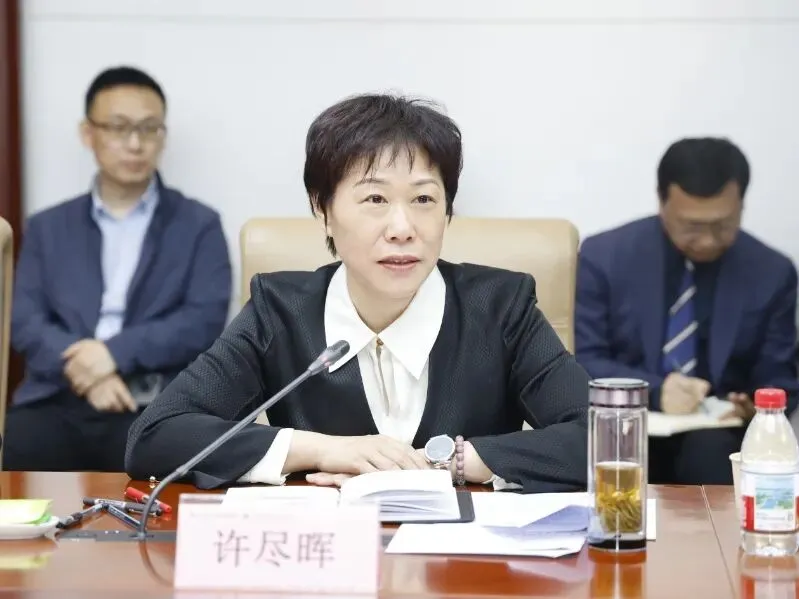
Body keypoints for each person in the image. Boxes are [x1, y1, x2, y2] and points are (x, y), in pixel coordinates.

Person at [126, 93, 590, 492]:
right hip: (331, 555)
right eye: (375, 199)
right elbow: (156, 436)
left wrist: (451, 463)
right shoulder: (280, 310)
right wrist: (324, 450)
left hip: (462, 559)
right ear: (323, 210)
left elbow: (601, 437)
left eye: (424, 199)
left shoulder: (501, 307)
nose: (402, 228)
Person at [4, 66, 232, 472]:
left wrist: (112, 354)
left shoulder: (199, 224)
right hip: (57, 394)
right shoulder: (47, 227)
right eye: (118, 127)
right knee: (19, 445)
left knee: (166, 459)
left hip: (154, 400)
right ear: (88, 133)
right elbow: (24, 320)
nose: (135, 143)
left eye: (149, 129)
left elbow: (203, 320)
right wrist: (87, 372)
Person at [575, 137, 799, 485]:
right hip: (624, 425)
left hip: (716, 438)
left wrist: (753, 406)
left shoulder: (772, 273)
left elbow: (780, 377)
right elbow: (583, 361)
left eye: (722, 225)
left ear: (741, 205)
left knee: (710, 455)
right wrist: (655, 391)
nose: (708, 240)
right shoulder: (604, 257)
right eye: (692, 226)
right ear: (661, 201)